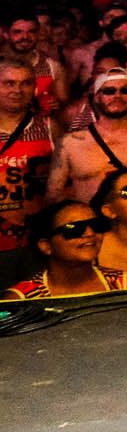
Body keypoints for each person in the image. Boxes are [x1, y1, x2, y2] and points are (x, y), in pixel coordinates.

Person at [47, 70, 127, 205]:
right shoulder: (70, 143)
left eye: (126, 91)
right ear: (96, 97)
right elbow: (53, 196)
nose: (118, 96)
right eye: (109, 91)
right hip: (91, 215)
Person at [1, 201, 127, 300]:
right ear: (46, 246)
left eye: (96, 225)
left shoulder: (123, 284)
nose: (90, 233)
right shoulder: (21, 299)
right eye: (74, 229)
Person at [0, 59, 59, 288]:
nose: (17, 90)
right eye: (9, 83)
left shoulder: (50, 127)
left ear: (34, 87)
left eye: (25, 83)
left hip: (35, 240)